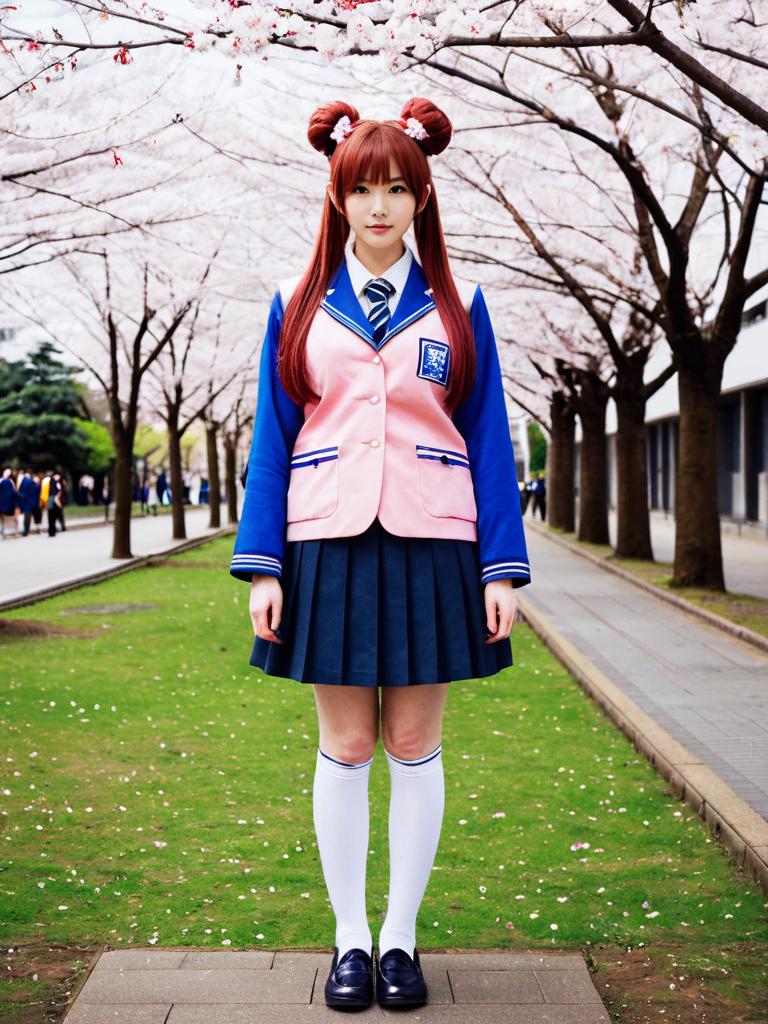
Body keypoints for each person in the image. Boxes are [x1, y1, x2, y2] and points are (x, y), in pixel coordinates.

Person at [229, 98, 532, 1011]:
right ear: (338, 196)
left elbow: (488, 440)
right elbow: (273, 439)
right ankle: (350, 940)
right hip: (325, 541)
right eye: (363, 189)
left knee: (412, 741)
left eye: (398, 188)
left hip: (435, 542)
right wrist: (264, 565)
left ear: (422, 198)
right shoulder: (294, 305)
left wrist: (501, 568)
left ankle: (400, 938)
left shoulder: (460, 306)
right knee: (349, 742)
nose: (380, 206)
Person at [17, 469, 41, 536]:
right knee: (35, 516)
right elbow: (37, 491)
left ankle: (26, 531)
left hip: (28, 502)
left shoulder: (24, 481)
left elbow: (21, 493)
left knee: (28, 517)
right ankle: (36, 529)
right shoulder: (31, 481)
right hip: (33, 502)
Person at [0, 467, 19, 539]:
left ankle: (4, 533)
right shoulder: (9, 482)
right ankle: (14, 532)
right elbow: (12, 493)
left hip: (2, 504)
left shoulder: (1, 481)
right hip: (9, 504)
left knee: (3, 519)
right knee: (13, 518)